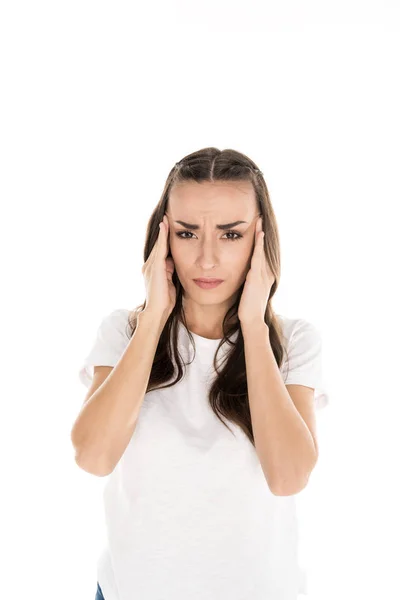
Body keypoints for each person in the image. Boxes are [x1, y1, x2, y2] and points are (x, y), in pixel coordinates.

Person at [71, 147, 329, 600]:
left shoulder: (295, 343)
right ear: (162, 239)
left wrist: (252, 325)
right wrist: (154, 318)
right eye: (188, 234)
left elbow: (288, 477)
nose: (207, 260)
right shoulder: (124, 332)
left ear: (260, 239)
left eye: (231, 235)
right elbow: (93, 457)